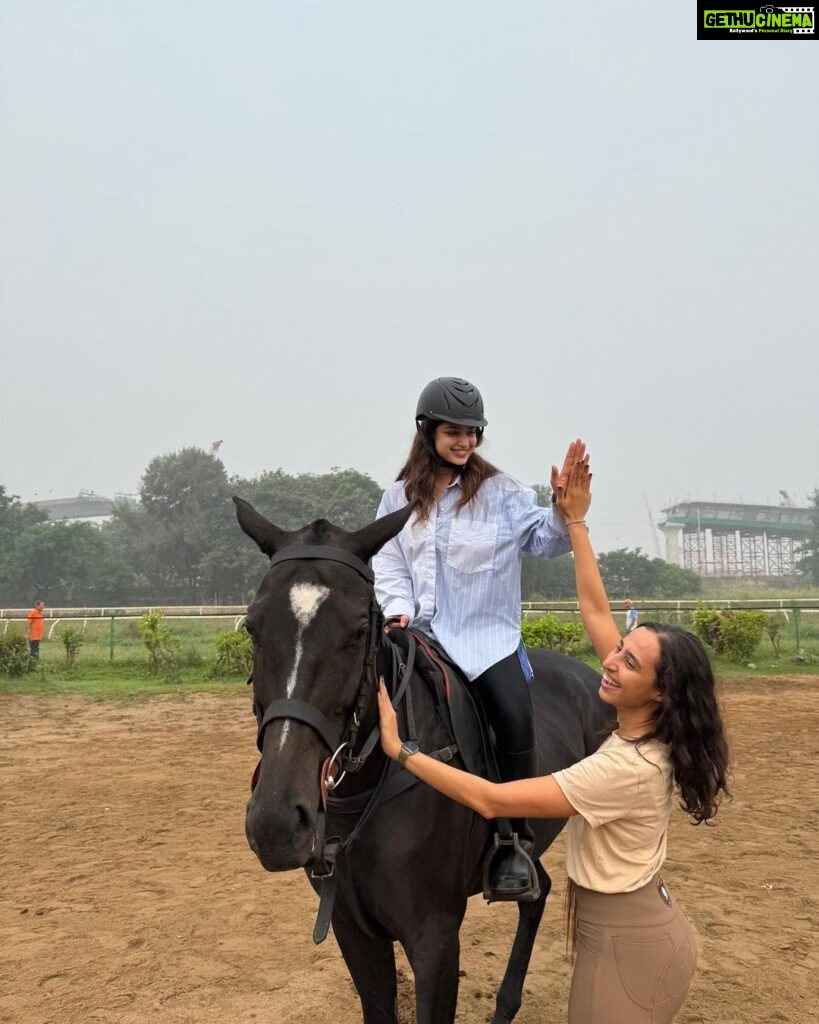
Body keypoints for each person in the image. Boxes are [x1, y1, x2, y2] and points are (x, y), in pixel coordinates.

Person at [377, 456, 731, 1024]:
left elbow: (491, 799)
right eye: (619, 648)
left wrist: (402, 752)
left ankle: (509, 848)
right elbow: (594, 607)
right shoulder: (636, 721)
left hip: (630, 940)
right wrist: (576, 520)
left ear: (659, 693)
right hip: (610, 928)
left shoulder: (624, 768)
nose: (608, 663)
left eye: (627, 662)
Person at [372, 375, 585, 901]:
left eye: (472, 432)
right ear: (426, 432)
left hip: (486, 640)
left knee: (513, 718)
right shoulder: (398, 497)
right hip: (417, 636)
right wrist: (396, 611)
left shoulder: (502, 493)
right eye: (453, 432)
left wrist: (564, 511)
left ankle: (514, 842)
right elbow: (388, 561)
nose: (465, 441)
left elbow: (545, 539)